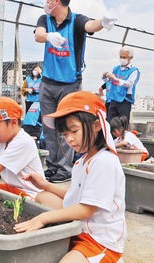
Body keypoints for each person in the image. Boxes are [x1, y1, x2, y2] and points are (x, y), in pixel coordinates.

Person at [14, 91, 126, 263]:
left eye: (74, 131)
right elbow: (77, 198)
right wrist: (45, 185)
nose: (70, 140)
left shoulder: (104, 162)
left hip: (99, 240)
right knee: (42, 196)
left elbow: (86, 209)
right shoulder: (82, 162)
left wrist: (43, 218)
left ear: (97, 125)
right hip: (78, 228)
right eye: (65, 134)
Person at [35, 0, 117, 183]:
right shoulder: (45, 19)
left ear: (56, 1)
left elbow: (90, 25)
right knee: (49, 127)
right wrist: (49, 36)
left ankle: (64, 169)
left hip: (69, 83)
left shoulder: (77, 20)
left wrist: (101, 22)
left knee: (66, 126)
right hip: (48, 82)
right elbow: (39, 35)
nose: (45, 3)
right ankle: (53, 165)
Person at [102, 46, 141, 123]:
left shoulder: (134, 71)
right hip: (114, 98)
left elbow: (129, 84)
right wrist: (105, 77)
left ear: (130, 57)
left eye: (124, 57)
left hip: (125, 99)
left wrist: (116, 79)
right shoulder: (116, 68)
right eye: (121, 57)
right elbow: (110, 81)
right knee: (111, 122)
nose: (122, 59)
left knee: (122, 123)